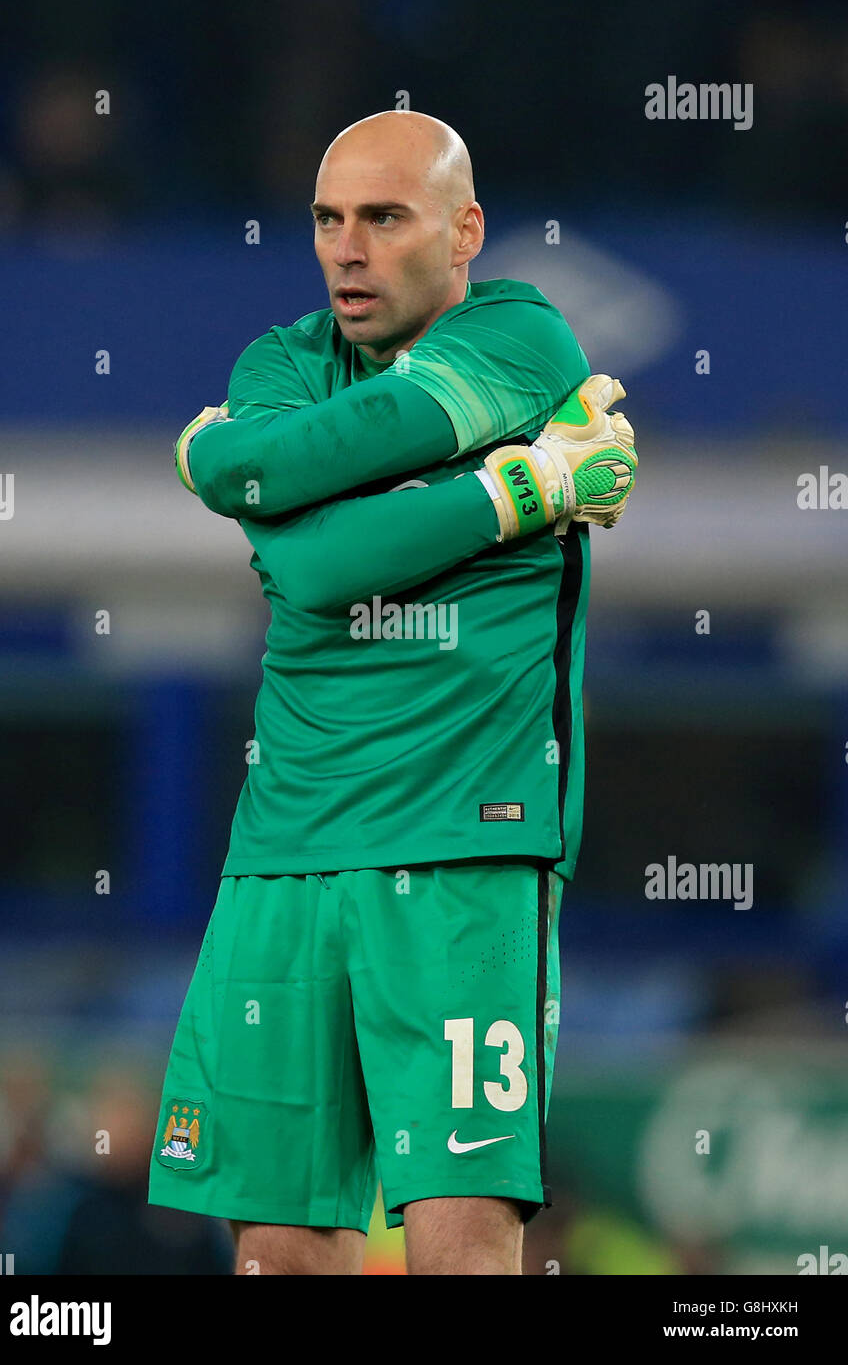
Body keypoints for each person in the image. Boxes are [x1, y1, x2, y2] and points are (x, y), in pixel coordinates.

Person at [148, 110, 637, 1275]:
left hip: (466, 843)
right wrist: (524, 484)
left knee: (459, 1237)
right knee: (275, 1245)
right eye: (327, 220)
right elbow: (319, 573)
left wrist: (249, 467)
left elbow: (308, 543)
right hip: (285, 845)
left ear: (464, 230)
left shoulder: (522, 336)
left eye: (383, 218)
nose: (346, 250)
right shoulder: (282, 360)